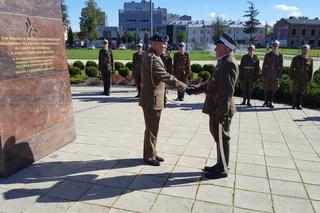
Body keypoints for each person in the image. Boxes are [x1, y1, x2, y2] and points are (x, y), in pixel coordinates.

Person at [186, 33, 239, 179]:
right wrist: (194, 90)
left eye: (218, 46)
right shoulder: (222, 62)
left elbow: (227, 91)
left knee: (223, 137)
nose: (215, 48)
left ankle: (223, 170)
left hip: (221, 108)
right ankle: (220, 164)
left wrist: (221, 112)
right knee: (217, 136)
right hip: (215, 106)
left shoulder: (229, 64)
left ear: (226, 48)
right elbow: (212, 84)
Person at [139, 34, 192, 166]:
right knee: (151, 129)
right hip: (152, 98)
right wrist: (185, 87)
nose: (166, 46)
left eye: (166, 44)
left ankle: (152, 152)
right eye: (163, 44)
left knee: (153, 128)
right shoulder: (152, 58)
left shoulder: (155, 56)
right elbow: (165, 76)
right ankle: (149, 157)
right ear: (155, 44)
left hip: (154, 98)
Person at [289, 44, 313, 110]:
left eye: (306, 49)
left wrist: (310, 79)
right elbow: (291, 68)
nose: (305, 50)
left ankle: (299, 104)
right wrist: (291, 78)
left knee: (301, 92)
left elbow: (311, 70)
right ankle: (294, 104)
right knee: (295, 91)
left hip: (305, 78)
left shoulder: (310, 59)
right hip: (296, 77)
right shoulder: (296, 58)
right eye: (303, 49)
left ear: (308, 50)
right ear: (301, 50)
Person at [261, 40, 283, 108]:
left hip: (275, 73)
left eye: (276, 46)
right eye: (273, 46)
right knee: (266, 88)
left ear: (278, 47)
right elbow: (264, 65)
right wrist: (263, 75)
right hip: (268, 73)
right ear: (272, 46)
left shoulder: (280, 55)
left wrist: (279, 76)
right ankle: (265, 101)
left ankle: (271, 102)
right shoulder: (267, 54)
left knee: (273, 88)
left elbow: (281, 66)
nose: (275, 47)